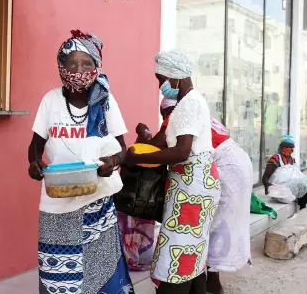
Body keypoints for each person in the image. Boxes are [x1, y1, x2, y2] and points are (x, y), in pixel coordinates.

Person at [27, 30, 134, 293]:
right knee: (58, 275)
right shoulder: (50, 100)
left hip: (96, 201)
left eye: (87, 63)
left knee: (102, 270)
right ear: (60, 66)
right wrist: (33, 163)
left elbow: (124, 148)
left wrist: (113, 161)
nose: (79, 69)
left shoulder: (106, 102)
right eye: (71, 63)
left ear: (97, 67)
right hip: (56, 202)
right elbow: (36, 145)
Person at [125, 50, 220, 294]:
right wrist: (128, 155)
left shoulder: (189, 103)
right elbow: (160, 143)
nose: (161, 85)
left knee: (177, 254)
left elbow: (181, 152)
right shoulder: (185, 103)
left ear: (175, 77)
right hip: (192, 187)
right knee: (192, 252)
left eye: (161, 79)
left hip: (193, 190)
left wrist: (139, 158)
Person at [118, 98, 177, 271]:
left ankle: (135, 257)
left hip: (138, 196)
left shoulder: (174, 121)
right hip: (141, 196)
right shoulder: (179, 121)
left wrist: (143, 136)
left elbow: (150, 147)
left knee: (133, 223)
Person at [206, 118, 252, 294]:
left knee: (215, 222)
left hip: (227, 168)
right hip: (238, 161)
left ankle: (212, 280)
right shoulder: (206, 116)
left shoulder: (178, 117)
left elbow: (180, 151)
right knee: (220, 221)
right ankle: (211, 279)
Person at [262, 135, 307, 209]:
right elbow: (265, 176)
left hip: (293, 183)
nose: (289, 150)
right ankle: (302, 204)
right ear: (281, 147)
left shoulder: (292, 159)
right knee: (306, 182)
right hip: (282, 187)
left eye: (291, 148)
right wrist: (267, 187)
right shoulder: (275, 158)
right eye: (286, 147)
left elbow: (296, 175)